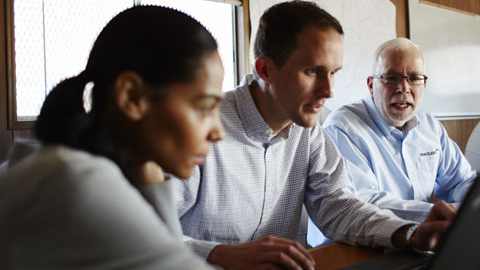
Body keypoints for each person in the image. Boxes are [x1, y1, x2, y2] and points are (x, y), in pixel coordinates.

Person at [172, 2, 456, 270]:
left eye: (333, 73)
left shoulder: (308, 132)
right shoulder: (202, 126)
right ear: (265, 70)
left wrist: (407, 234)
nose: (328, 90)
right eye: (313, 72)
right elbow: (141, 237)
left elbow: (340, 208)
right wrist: (221, 255)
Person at [0, 6, 225, 269]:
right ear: (131, 97)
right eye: (205, 107)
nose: (218, 132)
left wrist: (150, 179)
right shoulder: (78, 184)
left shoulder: (62, 166)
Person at [307, 37, 477, 247]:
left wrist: (474, 205)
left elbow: (461, 181)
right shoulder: (343, 127)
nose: (403, 88)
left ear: (424, 84)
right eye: (391, 78)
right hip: (348, 250)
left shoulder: (430, 127)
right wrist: (444, 215)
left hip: (412, 245)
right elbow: (364, 203)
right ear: (371, 85)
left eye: (414, 77)